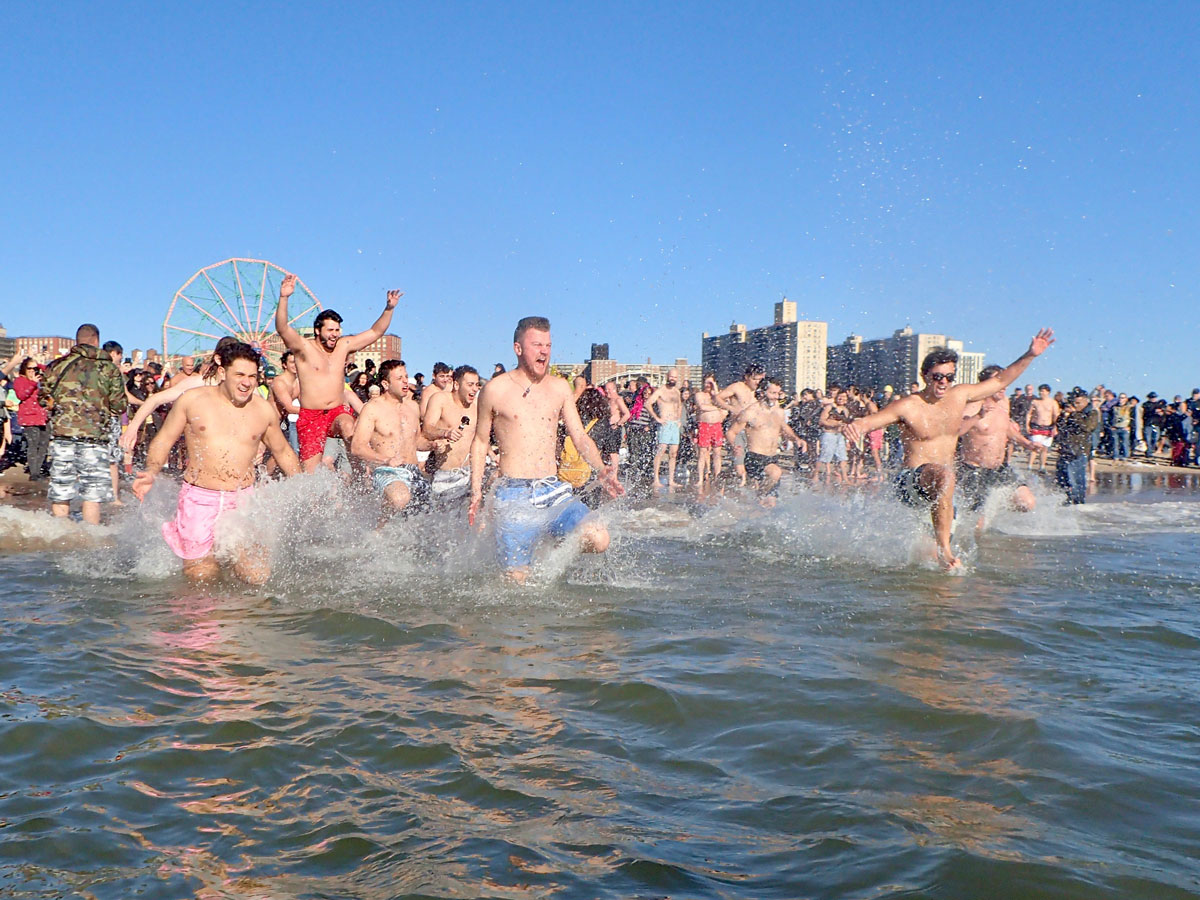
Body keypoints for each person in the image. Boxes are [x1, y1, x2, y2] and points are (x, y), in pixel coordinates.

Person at [844, 329, 1055, 570]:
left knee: (928, 563)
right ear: (925, 375)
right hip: (912, 482)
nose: (943, 382)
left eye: (949, 376)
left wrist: (1030, 355)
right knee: (944, 477)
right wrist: (855, 426)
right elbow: (871, 421)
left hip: (942, 492)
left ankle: (938, 572)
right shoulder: (908, 406)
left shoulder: (960, 395)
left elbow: (1000, 381)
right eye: (937, 376)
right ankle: (946, 549)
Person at [469, 316, 622, 584]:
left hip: (553, 490)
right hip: (513, 495)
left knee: (599, 538)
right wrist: (476, 492)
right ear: (518, 349)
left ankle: (550, 557)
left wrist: (601, 470)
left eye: (548, 345)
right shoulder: (494, 389)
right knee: (516, 582)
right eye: (537, 344)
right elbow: (480, 441)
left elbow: (579, 436)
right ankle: (528, 555)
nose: (544, 351)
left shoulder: (559, 387)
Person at [133, 343, 300, 583]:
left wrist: (303, 484)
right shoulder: (193, 400)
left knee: (255, 575)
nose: (247, 383)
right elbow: (164, 440)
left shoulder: (262, 410)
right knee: (203, 577)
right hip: (199, 500)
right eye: (240, 375)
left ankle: (243, 617)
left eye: (252, 376)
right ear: (222, 373)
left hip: (242, 500)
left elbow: (283, 451)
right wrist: (151, 471)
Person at [275, 273, 401, 472]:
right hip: (311, 415)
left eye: (337, 330)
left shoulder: (344, 346)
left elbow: (375, 332)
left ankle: (361, 479)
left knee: (348, 427)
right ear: (318, 330)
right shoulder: (303, 348)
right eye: (330, 330)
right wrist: (284, 297)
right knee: (310, 473)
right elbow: (282, 328)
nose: (335, 334)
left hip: (336, 412)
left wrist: (389, 309)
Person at [41, 324, 129, 525]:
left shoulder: (56, 366)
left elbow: (43, 399)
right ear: (96, 341)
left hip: (62, 436)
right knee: (92, 492)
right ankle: (91, 541)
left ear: (76, 340)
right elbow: (119, 405)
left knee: (61, 489)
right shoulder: (107, 368)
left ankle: (59, 535)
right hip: (94, 438)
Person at [350, 359, 442, 516]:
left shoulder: (412, 407)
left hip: (413, 471)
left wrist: (432, 445)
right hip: (388, 470)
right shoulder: (372, 408)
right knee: (400, 498)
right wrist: (386, 460)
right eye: (399, 379)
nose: (405, 381)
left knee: (429, 518)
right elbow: (357, 447)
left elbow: (416, 440)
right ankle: (380, 529)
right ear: (386, 384)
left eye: (406, 377)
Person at [957, 365, 1039, 525]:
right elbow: (956, 431)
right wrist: (977, 417)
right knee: (976, 523)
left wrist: (1027, 443)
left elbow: (1006, 428)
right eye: (1000, 380)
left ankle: (996, 507)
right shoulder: (972, 406)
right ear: (987, 384)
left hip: (999, 468)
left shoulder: (1003, 406)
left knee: (1027, 503)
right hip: (974, 471)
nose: (1005, 385)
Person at [725, 377, 806, 501]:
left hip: (773, 457)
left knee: (771, 503)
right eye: (772, 393)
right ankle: (757, 497)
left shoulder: (778, 412)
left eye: (778, 393)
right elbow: (731, 432)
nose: (776, 397)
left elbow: (784, 428)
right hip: (755, 458)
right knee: (775, 473)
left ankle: (755, 503)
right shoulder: (751, 412)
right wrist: (735, 447)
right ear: (762, 392)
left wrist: (796, 439)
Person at [422, 364, 482, 504]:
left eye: (477, 385)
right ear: (456, 385)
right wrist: (445, 433)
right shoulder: (440, 399)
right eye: (470, 385)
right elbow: (427, 429)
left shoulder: (478, 405)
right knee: (445, 521)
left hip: (471, 473)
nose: (475, 389)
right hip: (446, 475)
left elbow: (481, 438)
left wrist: (493, 456)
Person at [715, 364, 766, 485]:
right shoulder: (737, 387)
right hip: (735, 430)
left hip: (751, 432)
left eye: (759, 379)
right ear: (747, 377)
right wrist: (730, 408)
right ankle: (735, 484)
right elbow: (717, 398)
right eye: (754, 379)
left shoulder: (758, 393)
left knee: (750, 464)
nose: (757, 382)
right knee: (739, 466)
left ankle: (724, 477)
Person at [1053, 387, 1100, 504]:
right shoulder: (1070, 413)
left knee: (1076, 481)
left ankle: (1078, 503)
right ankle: (1064, 502)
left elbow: (1088, 427)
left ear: (1086, 401)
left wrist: (1074, 414)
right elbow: (1060, 427)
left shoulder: (1092, 413)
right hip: (1065, 449)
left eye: (1078, 403)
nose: (1075, 405)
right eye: (1074, 402)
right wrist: (1063, 416)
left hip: (1079, 451)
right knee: (1062, 480)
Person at [647, 368, 684, 493]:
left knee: (673, 453)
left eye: (675, 377)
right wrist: (657, 418)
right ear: (667, 377)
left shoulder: (677, 392)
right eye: (671, 377)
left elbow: (679, 405)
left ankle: (671, 479)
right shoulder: (661, 391)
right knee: (661, 451)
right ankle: (656, 479)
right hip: (665, 423)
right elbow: (648, 403)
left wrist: (679, 419)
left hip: (674, 424)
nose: (673, 379)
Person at [12, 358, 49, 482]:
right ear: (24, 369)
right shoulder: (20, 381)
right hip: (29, 417)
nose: (33, 371)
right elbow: (21, 395)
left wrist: (38, 364)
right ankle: (34, 473)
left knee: (44, 445)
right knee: (33, 445)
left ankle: (38, 470)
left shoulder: (41, 380)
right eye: (30, 368)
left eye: (35, 369)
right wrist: (32, 383)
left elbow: (49, 370)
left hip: (43, 417)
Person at [693, 373, 728, 495]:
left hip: (717, 426)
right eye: (707, 382)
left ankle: (717, 476)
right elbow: (702, 406)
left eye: (711, 383)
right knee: (703, 452)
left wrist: (715, 391)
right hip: (704, 425)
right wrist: (715, 408)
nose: (708, 385)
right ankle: (700, 478)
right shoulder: (699, 394)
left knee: (717, 453)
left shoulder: (717, 396)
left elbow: (724, 407)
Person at [817, 390, 852, 485]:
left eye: (844, 397)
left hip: (840, 436)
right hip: (829, 434)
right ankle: (815, 475)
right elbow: (821, 421)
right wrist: (834, 424)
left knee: (843, 457)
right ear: (836, 397)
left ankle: (845, 478)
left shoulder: (845, 410)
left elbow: (846, 424)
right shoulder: (829, 407)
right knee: (824, 456)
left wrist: (848, 439)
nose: (841, 399)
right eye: (839, 397)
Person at [1025, 384, 1059, 473]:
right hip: (1036, 426)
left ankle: (1042, 466)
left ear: (1048, 392)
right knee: (1035, 447)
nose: (1041, 393)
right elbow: (1029, 414)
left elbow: (1056, 415)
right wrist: (1027, 425)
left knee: (1044, 448)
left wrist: (1055, 427)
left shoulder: (1053, 402)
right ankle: (1029, 466)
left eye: (1043, 391)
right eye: (1040, 391)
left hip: (1048, 427)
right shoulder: (1035, 401)